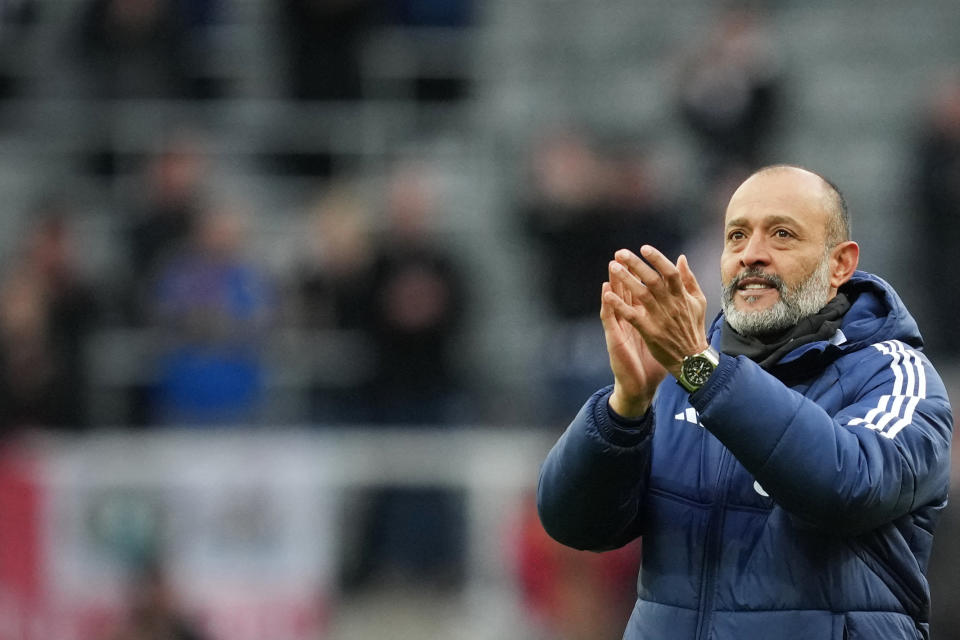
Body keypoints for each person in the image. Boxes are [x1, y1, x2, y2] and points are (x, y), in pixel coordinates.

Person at [537, 165, 953, 639]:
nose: (752, 255)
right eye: (736, 236)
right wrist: (625, 405)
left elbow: (849, 485)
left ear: (840, 264)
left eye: (781, 234)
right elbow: (574, 525)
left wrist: (701, 370)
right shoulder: (682, 372)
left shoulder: (895, 374)